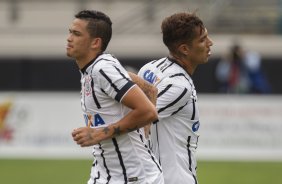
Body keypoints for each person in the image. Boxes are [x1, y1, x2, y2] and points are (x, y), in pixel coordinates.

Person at [66, 10, 164, 184]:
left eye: (76, 34)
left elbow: (149, 112)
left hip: (134, 177)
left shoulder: (103, 69)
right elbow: (150, 90)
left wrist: (98, 134)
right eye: (70, 32)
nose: (69, 38)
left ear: (95, 43)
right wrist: (144, 130)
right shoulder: (92, 69)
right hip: (105, 173)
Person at [138, 12, 213, 184]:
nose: (210, 43)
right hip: (174, 178)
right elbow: (139, 118)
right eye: (203, 40)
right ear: (184, 49)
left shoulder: (150, 68)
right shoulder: (179, 86)